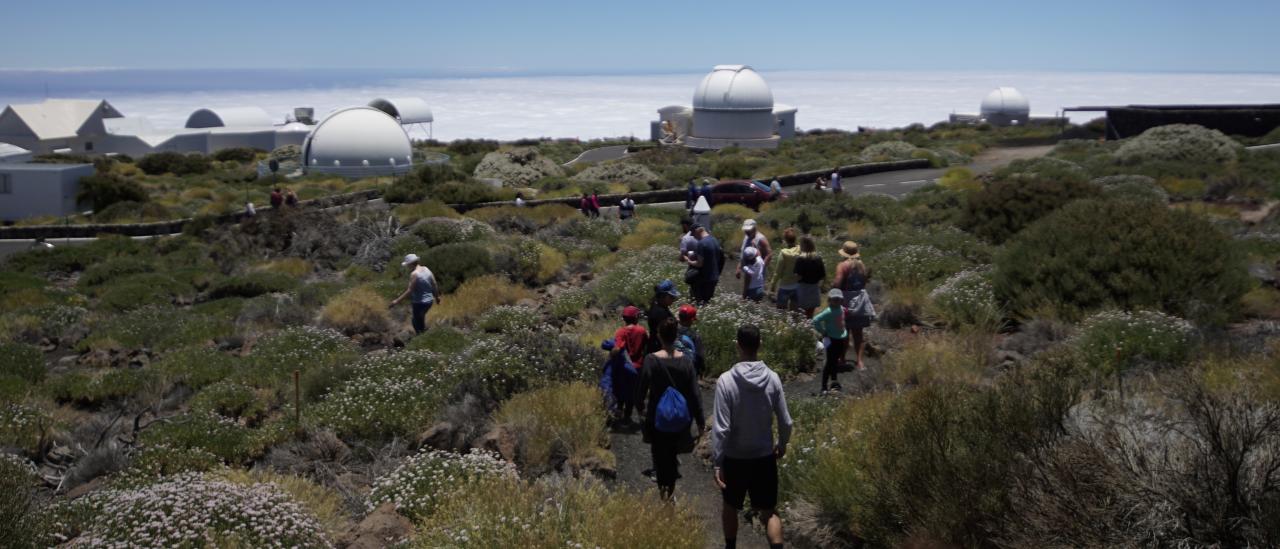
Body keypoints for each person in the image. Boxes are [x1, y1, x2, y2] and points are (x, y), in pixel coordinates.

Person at [711, 324, 792, 549]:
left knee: (730, 506)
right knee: (769, 512)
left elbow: (721, 428)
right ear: (760, 345)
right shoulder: (773, 378)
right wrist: (782, 444)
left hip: (735, 457)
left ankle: (731, 546)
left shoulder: (726, 381)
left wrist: (718, 462)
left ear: (737, 346)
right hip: (764, 456)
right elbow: (786, 421)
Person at [637, 318, 705, 500]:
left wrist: (640, 411)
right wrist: (700, 421)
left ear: (659, 336)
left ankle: (664, 494)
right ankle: (670, 490)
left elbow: (641, 389)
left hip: (656, 418)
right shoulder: (686, 362)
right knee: (672, 455)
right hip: (681, 418)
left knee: (659, 456)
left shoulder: (651, 360)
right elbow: (695, 393)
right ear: (676, 336)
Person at [834, 241, 876, 370]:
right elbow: (864, 282)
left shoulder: (842, 266)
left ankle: (842, 359)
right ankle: (859, 362)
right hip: (860, 302)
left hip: (846, 302)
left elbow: (837, 283)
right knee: (858, 334)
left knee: (844, 333)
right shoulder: (861, 265)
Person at [610, 306, 648, 423]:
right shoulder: (642, 331)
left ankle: (619, 412)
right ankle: (628, 415)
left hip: (624, 367)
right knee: (633, 392)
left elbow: (617, 348)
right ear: (636, 317)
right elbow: (646, 346)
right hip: (638, 366)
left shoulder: (620, 332)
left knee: (622, 389)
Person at [389, 253, 441, 335]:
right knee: (418, 320)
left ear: (410, 264)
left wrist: (396, 301)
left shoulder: (414, 274)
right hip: (429, 301)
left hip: (419, 302)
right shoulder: (426, 269)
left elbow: (410, 290)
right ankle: (423, 337)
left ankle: (422, 340)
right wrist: (437, 297)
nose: (407, 266)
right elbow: (434, 283)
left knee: (417, 323)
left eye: (407, 265)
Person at [812, 289, 849, 393]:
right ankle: (824, 387)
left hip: (840, 337)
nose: (837, 301)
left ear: (841, 300)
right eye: (834, 299)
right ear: (829, 300)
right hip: (831, 339)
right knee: (829, 362)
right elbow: (816, 320)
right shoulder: (828, 311)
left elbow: (843, 315)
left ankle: (834, 381)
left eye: (839, 299)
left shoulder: (841, 308)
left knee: (835, 360)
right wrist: (823, 331)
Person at [684, 225, 724, 304]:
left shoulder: (701, 243)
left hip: (704, 279)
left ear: (697, 231)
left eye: (693, 235)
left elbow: (699, 264)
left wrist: (689, 261)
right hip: (714, 278)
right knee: (707, 301)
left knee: (699, 303)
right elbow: (720, 259)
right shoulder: (715, 240)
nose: (694, 237)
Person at [769, 228, 801, 312]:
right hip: (797, 286)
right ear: (795, 239)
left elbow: (778, 272)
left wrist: (773, 285)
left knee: (781, 313)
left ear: (785, 240)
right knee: (794, 314)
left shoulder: (783, 253)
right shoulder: (800, 251)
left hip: (784, 286)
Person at [793, 236, 827, 318]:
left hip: (803, 288)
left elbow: (798, 276)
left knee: (800, 313)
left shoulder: (800, 259)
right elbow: (823, 276)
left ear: (803, 245)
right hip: (814, 287)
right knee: (810, 314)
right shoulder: (818, 258)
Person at [646, 280, 679, 354]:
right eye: (671, 297)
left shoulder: (659, 305)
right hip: (659, 349)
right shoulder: (660, 313)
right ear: (662, 296)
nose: (673, 299)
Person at [736, 219, 772, 285]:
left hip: (757, 275)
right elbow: (743, 254)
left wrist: (761, 267)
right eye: (746, 230)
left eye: (748, 230)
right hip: (748, 271)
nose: (747, 232)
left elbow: (769, 254)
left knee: (755, 292)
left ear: (754, 228)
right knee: (747, 290)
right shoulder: (746, 237)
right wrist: (738, 268)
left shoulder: (761, 239)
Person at [676, 304, 706, 376]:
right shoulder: (694, 336)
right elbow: (699, 355)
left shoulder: (670, 329)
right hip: (688, 369)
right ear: (691, 320)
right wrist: (702, 368)